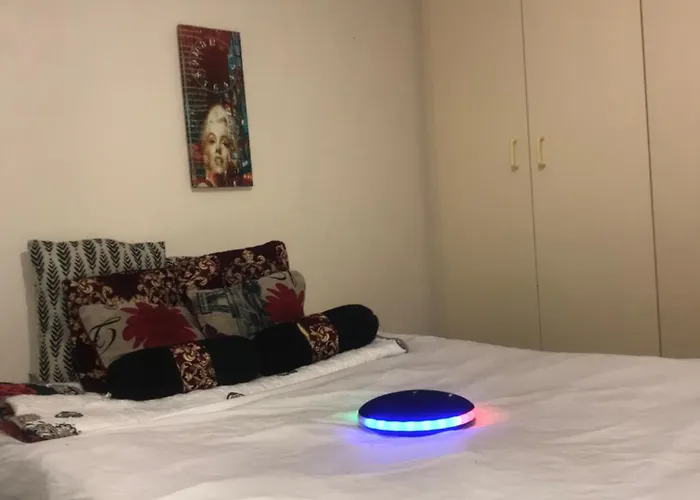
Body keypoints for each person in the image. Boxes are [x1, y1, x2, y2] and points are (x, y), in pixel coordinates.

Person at [197, 104, 237, 187]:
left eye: (224, 143)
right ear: (205, 152)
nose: (218, 148)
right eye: (212, 141)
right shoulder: (204, 187)